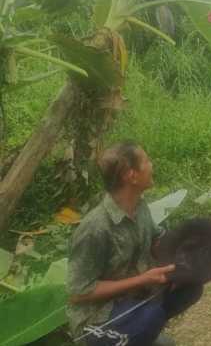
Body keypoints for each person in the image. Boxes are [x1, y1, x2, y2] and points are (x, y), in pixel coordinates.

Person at [67, 142, 202, 346]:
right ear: (132, 175)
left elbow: (157, 239)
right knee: (151, 317)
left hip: (132, 298)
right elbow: (79, 293)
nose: (152, 164)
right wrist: (142, 279)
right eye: (146, 161)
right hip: (96, 318)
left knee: (190, 286)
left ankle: (142, 330)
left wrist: (190, 248)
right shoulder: (95, 228)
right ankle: (135, 329)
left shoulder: (139, 205)